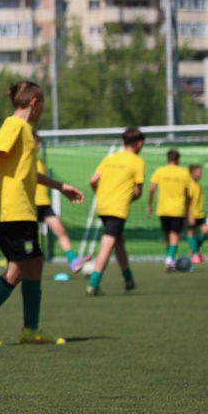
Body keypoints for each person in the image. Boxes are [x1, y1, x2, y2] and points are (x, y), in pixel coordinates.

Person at [0, 82, 83, 347]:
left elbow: (29, 173)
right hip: (12, 213)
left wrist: (61, 187)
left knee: (34, 265)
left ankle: (31, 330)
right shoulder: (14, 126)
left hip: (23, 213)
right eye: (43, 106)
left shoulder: (26, 131)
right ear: (35, 103)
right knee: (17, 270)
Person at [85, 127, 146, 296]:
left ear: (123, 142)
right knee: (108, 243)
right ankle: (93, 283)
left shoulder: (109, 158)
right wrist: (129, 197)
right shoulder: (137, 161)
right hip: (118, 207)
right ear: (139, 143)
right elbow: (137, 191)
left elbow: (93, 180)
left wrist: (102, 192)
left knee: (119, 242)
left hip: (102, 204)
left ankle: (128, 279)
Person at [35, 137, 86, 273]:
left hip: (44, 204)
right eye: (35, 141)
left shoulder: (41, 161)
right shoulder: (22, 160)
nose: (38, 144)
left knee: (60, 230)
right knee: (27, 239)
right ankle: (20, 266)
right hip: (28, 204)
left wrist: (60, 187)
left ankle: (73, 261)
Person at [146, 149, 194, 272]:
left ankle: (170, 261)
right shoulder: (184, 173)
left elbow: (151, 189)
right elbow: (188, 193)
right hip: (178, 208)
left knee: (167, 234)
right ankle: (169, 258)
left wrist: (150, 205)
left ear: (167, 159)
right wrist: (189, 210)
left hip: (163, 208)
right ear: (178, 160)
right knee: (174, 234)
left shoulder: (160, 171)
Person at [185, 164, 208, 265]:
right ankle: (195, 254)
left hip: (200, 214)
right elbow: (187, 201)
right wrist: (190, 215)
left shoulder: (198, 185)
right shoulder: (189, 185)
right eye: (198, 172)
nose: (200, 174)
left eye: (201, 172)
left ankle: (194, 250)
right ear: (191, 173)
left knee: (206, 232)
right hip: (191, 214)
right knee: (191, 233)